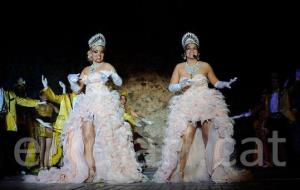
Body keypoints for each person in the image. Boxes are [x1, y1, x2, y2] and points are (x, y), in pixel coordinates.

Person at [25, 33, 146, 183]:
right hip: (88, 104)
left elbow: (119, 82)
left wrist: (112, 76)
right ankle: (90, 170)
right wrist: (72, 82)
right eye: (96, 52)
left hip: (104, 103)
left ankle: (108, 169)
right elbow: (77, 90)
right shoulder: (86, 70)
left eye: (101, 52)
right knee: (87, 137)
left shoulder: (107, 66)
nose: (99, 55)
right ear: (91, 53)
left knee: (106, 138)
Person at [153, 32, 250, 183]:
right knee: (186, 137)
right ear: (184, 52)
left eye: (194, 48)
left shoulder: (205, 66)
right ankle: (180, 172)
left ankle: (214, 171)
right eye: (188, 49)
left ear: (198, 51)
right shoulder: (179, 67)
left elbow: (215, 82)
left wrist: (225, 83)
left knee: (209, 136)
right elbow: (171, 87)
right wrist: (180, 85)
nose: (191, 51)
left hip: (205, 104)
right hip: (187, 105)